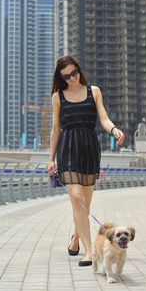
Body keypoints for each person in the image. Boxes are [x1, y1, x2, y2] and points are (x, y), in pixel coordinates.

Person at [47, 56, 125, 267]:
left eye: (74, 73)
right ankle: (89, 251)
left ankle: (75, 239)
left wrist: (114, 130)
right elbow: (55, 130)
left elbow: (104, 118)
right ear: (60, 77)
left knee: (84, 205)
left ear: (78, 70)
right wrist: (51, 159)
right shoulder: (57, 97)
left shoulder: (95, 91)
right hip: (68, 149)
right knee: (77, 198)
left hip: (89, 149)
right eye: (66, 76)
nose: (72, 78)